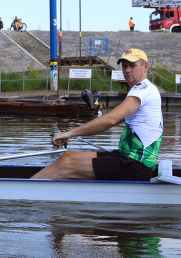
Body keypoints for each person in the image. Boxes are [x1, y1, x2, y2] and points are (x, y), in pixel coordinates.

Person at [32, 48, 162, 181]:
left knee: (66, 165)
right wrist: (70, 133)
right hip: (128, 158)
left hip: (136, 165)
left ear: (145, 66)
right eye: (124, 66)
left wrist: (69, 133)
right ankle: (30, 186)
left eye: (132, 65)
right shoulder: (144, 90)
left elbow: (110, 119)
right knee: (67, 157)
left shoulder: (143, 89)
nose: (127, 70)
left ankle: (23, 193)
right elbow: (107, 122)